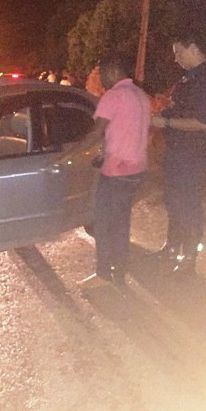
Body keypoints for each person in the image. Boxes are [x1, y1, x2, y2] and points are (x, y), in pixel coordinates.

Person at [151, 33, 206, 274]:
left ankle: (190, 257)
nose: (175, 58)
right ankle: (173, 247)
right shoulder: (188, 78)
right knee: (173, 200)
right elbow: (179, 108)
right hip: (176, 151)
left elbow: (204, 122)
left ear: (193, 48)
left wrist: (167, 124)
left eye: (178, 52)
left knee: (187, 203)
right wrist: (164, 114)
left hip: (192, 154)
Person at [76, 55, 151, 288]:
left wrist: (69, 154)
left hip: (116, 172)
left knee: (104, 223)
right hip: (136, 168)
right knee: (121, 223)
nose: (101, 79)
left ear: (112, 71)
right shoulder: (141, 96)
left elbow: (97, 132)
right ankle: (118, 272)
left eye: (102, 74)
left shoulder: (113, 96)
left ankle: (103, 275)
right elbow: (133, 132)